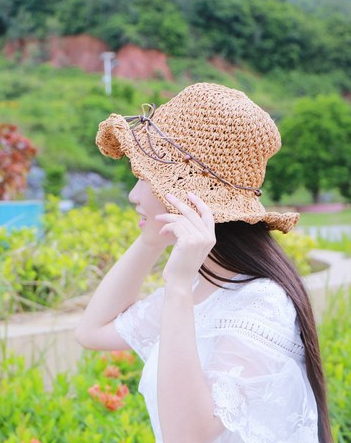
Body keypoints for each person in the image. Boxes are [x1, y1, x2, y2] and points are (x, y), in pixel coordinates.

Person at [75, 83, 332, 443]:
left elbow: (187, 436)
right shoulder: (205, 289)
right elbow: (91, 331)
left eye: (145, 179)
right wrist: (150, 239)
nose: (134, 195)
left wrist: (178, 286)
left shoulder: (259, 303)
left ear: (186, 196)